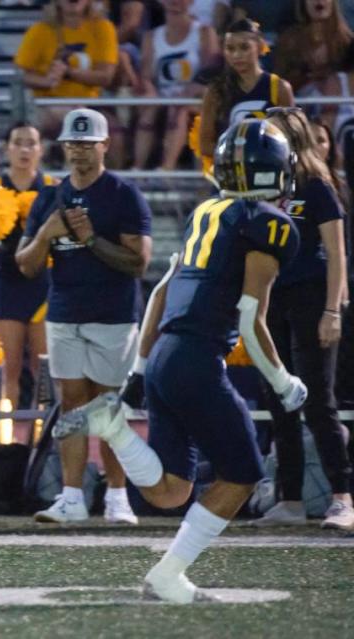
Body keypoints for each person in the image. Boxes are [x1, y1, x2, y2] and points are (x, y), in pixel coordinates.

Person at [54, 118, 305, 602]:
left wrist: (140, 373)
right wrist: (284, 382)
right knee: (244, 473)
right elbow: (252, 322)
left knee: (169, 491)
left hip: (167, 353)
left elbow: (161, 295)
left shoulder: (208, 211)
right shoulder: (269, 225)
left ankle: (114, 429)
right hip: (196, 358)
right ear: (273, 171)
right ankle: (167, 575)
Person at [16, 108, 151, 525]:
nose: (78, 152)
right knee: (71, 406)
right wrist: (46, 234)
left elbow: (139, 263)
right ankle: (72, 496)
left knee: (109, 409)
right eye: (73, 144)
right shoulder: (49, 197)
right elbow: (25, 263)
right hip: (64, 313)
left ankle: (116, 495)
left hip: (112, 315)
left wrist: (91, 239)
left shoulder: (123, 195)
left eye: (87, 143)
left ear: (104, 145)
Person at [249, 108, 352, 530]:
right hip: (270, 297)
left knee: (318, 403)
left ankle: (344, 497)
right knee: (279, 401)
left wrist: (332, 310)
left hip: (310, 298)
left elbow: (337, 255)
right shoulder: (261, 186)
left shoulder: (317, 186)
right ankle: (289, 498)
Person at [0, 122, 54, 411]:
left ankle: (41, 445)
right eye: (18, 143)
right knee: (8, 369)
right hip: (8, 284)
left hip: (44, 286)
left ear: (41, 150)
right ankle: (5, 445)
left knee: (44, 373)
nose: (25, 149)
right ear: (7, 149)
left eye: (32, 143)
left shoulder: (53, 189)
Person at [13, 0, 119, 157]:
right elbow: (22, 74)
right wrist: (47, 81)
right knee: (76, 120)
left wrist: (68, 72)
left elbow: (106, 76)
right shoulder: (40, 30)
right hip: (49, 104)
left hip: (92, 104)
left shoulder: (103, 28)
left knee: (116, 132)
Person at [132, 0, 219, 170]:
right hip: (163, 97)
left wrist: (188, 92)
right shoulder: (151, 37)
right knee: (149, 107)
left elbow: (211, 71)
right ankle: (138, 167)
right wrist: (149, 89)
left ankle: (167, 167)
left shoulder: (204, 32)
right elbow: (146, 76)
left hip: (196, 97)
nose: (174, 2)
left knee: (179, 109)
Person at [198, 19, 294, 167]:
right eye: (230, 49)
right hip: (229, 172)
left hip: (269, 171)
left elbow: (291, 138)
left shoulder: (279, 87)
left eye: (244, 47)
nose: (237, 55)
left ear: (260, 46)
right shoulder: (216, 90)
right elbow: (205, 144)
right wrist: (238, 153)